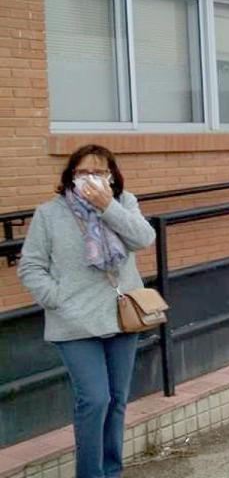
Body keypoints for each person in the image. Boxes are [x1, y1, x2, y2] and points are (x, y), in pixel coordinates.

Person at [17, 145, 156, 478]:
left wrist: (108, 206)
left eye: (100, 171)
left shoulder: (124, 203)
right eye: (83, 172)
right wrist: (58, 298)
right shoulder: (49, 214)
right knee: (94, 400)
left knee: (117, 401)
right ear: (70, 176)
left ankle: (111, 471)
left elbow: (144, 238)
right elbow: (31, 266)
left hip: (122, 316)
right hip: (74, 323)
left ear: (112, 175)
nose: (91, 178)